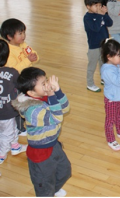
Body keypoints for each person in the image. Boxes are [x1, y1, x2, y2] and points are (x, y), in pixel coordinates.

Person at [13, 67, 71, 197]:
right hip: (40, 153)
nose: (47, 85)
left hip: (53, 143)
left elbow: (65, 109)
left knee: (65, 171)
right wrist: (51, 95)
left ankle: (53, 189)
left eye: (46, 81)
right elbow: (57, 117)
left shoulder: (43, 97)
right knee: (44, 184)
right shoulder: (32, 110)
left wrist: (58, 91)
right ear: (31, 93)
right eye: (43, 83)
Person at [0, 39, 27, 165]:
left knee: (11, 129)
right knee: (7, 133)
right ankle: (2, 154)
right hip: (8, 111)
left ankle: (15, 146)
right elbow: (20, 87)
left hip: (5, 110)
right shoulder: (12, 73)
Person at [83, 0, 113, 92]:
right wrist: (100, 15)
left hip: (104, 44)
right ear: (88, 6)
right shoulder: (87, 18)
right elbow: (95, 28)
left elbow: (110, 23)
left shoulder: (100, 14)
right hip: (94, 46)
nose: (99, 7)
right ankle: (90, 84)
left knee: (103, 62)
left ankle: (103, 78)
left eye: (100, 5)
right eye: (96, 6)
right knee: (92, 66)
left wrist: (105, 14)